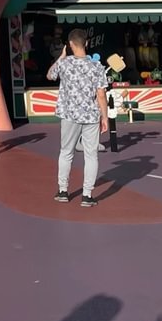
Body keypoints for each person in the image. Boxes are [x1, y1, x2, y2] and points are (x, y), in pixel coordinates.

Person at [48, 29, 109, 207]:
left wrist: (60, 57)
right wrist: (104, 117)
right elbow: (101, 94)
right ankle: (87, 194)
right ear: (87, 43)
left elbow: (50, 75)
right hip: (90, 114)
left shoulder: (64, 64)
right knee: (91, 155)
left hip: (69, 114)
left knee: (66, 152)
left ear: (70, 44)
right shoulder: (96, 66)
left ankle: (63, 191)